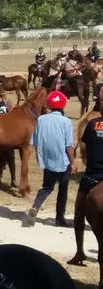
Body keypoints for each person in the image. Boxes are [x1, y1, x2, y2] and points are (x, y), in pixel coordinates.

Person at [24, 91, 75, 227]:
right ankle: (60, 219)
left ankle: (35, 206)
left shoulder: (40, 119)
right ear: (63, 105)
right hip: (63, 162)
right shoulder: (66, 122)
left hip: (47, 162)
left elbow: (33, 141)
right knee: (62, 190)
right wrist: (73, 163)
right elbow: (69, 146)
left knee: (46, 187)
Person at [69, 109, 103, 266]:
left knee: (79, 211)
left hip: (92, 176)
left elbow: (86, 147)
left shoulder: (92, 124)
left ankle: (79, 251)